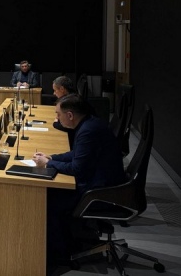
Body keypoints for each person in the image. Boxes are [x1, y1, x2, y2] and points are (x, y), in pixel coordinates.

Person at [32, 94, 125, 263]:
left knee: (47, 201)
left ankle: (60, 254)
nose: (56, 118)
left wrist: (48, 164)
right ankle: (67, 238)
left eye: (58, 114)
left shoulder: (88, 131)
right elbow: (77, 154)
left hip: (101, 190)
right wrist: (52, 158)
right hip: (104, 180)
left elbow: (77, 169)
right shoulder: (89, 123)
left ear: (70, 115)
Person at [51, 75, 77, 148]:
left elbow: (66, 126)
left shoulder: (70, 103)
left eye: (55, 90)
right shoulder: (74, 96)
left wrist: (55, 123)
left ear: (62, 89)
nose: (54, 93)